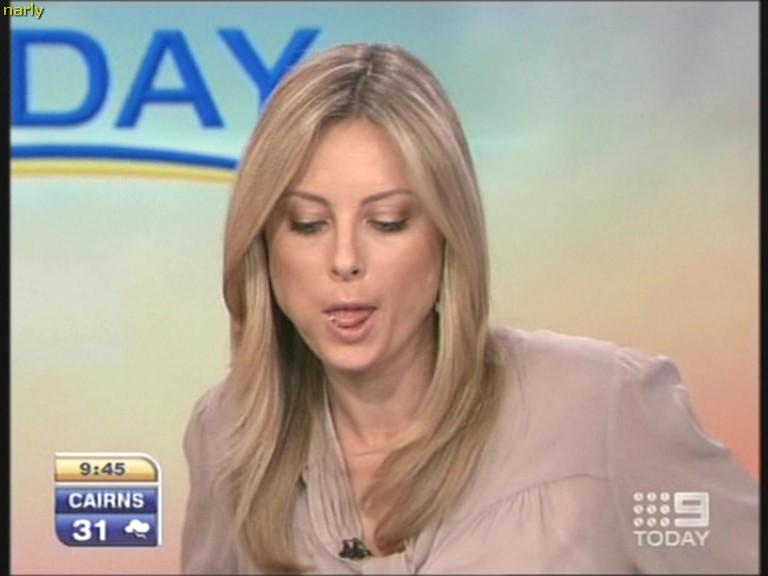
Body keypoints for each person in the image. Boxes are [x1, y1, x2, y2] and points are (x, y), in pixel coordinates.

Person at [180, 43, 758, 574]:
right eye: (308, 224)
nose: (346, 260)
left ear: (447, 233)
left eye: (388, 222)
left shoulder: (605, 408)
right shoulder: (230, 434)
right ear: (263, 244)